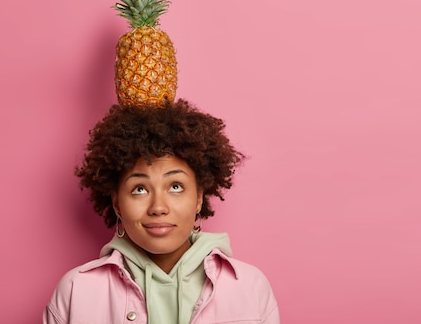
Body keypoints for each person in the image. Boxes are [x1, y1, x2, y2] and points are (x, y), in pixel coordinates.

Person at [43, 99, 280, 323]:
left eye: (175, 187)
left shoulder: (250, 287)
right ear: (117, 204)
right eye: (139, 189)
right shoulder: (76, 292)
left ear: (198, 199)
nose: (158, 207)